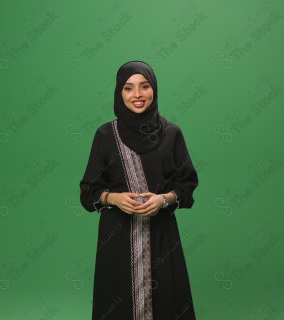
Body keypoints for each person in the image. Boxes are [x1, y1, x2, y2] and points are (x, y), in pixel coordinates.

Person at [79, 60, 199, 320]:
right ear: (119, 93)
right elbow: (89, 190)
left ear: (154, 89)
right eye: (128, 88)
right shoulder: (105, 135)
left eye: (144, 86)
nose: (137, 95)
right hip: (117, 237)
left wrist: (163, 200)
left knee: (167, 300)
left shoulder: (172, 134)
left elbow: (186, 185)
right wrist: (114, 198)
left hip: (161, 237)